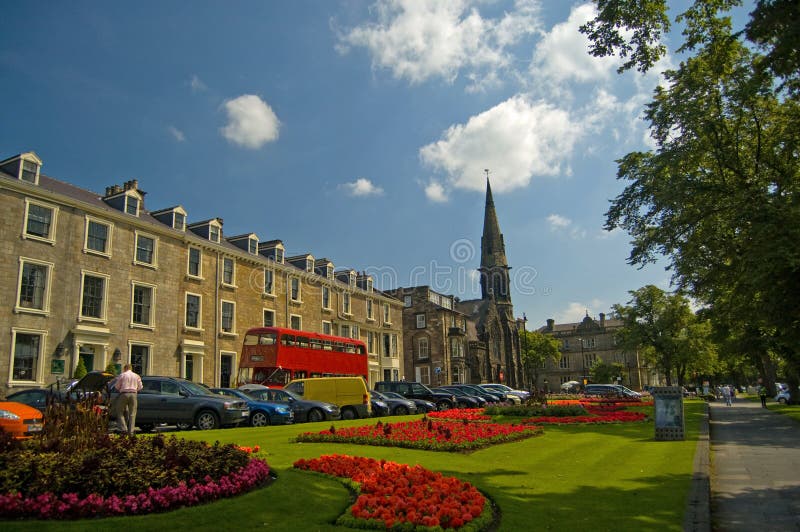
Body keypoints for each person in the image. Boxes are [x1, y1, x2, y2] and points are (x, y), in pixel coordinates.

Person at [114, 363, 143, 435]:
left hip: (124, 394)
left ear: (125, 368)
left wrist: (121, 388)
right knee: (132, 413)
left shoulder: (122, 375)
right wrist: (135, 389)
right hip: (133, 394)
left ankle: (124, 428)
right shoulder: (136, 376)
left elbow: (117, 386)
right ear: (131, 368)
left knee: (119, 411)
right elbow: (140, 387)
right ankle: (131, 431)